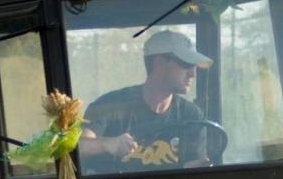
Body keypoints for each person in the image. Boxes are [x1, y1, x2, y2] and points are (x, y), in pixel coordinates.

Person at [79, 30, 213, 169]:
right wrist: (107, 144)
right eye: (186, 65)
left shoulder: (191, 116)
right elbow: (78, 146)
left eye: (194, 67)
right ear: (159, 63)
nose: (192, 74)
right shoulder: (109, 106)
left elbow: (194, 168)